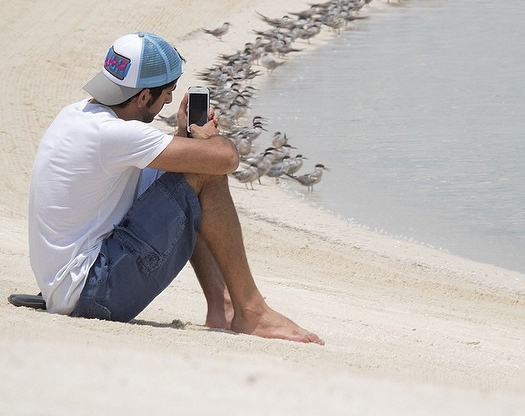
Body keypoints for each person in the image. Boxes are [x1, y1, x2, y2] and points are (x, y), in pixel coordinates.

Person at [28, 31, 323, 345]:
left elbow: (155, 183)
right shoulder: (115, 135)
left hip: (67, 286)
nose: (169, 99)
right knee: (205, 173)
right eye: (167, 92)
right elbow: (226, 159)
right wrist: (208, 137)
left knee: (187, 172)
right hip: (96, 293)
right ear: (143, 97)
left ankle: (222, 306)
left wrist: (183, 134)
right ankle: (252, 310)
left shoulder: (76, 115)